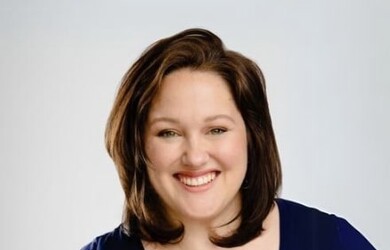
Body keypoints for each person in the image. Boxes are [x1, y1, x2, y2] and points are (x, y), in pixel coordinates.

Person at [82, 28, 375, 250]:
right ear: (136, 145)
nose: (195, 156)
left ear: (252, 135)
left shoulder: (330, 241)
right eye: (169, 133)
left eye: (217, 130)